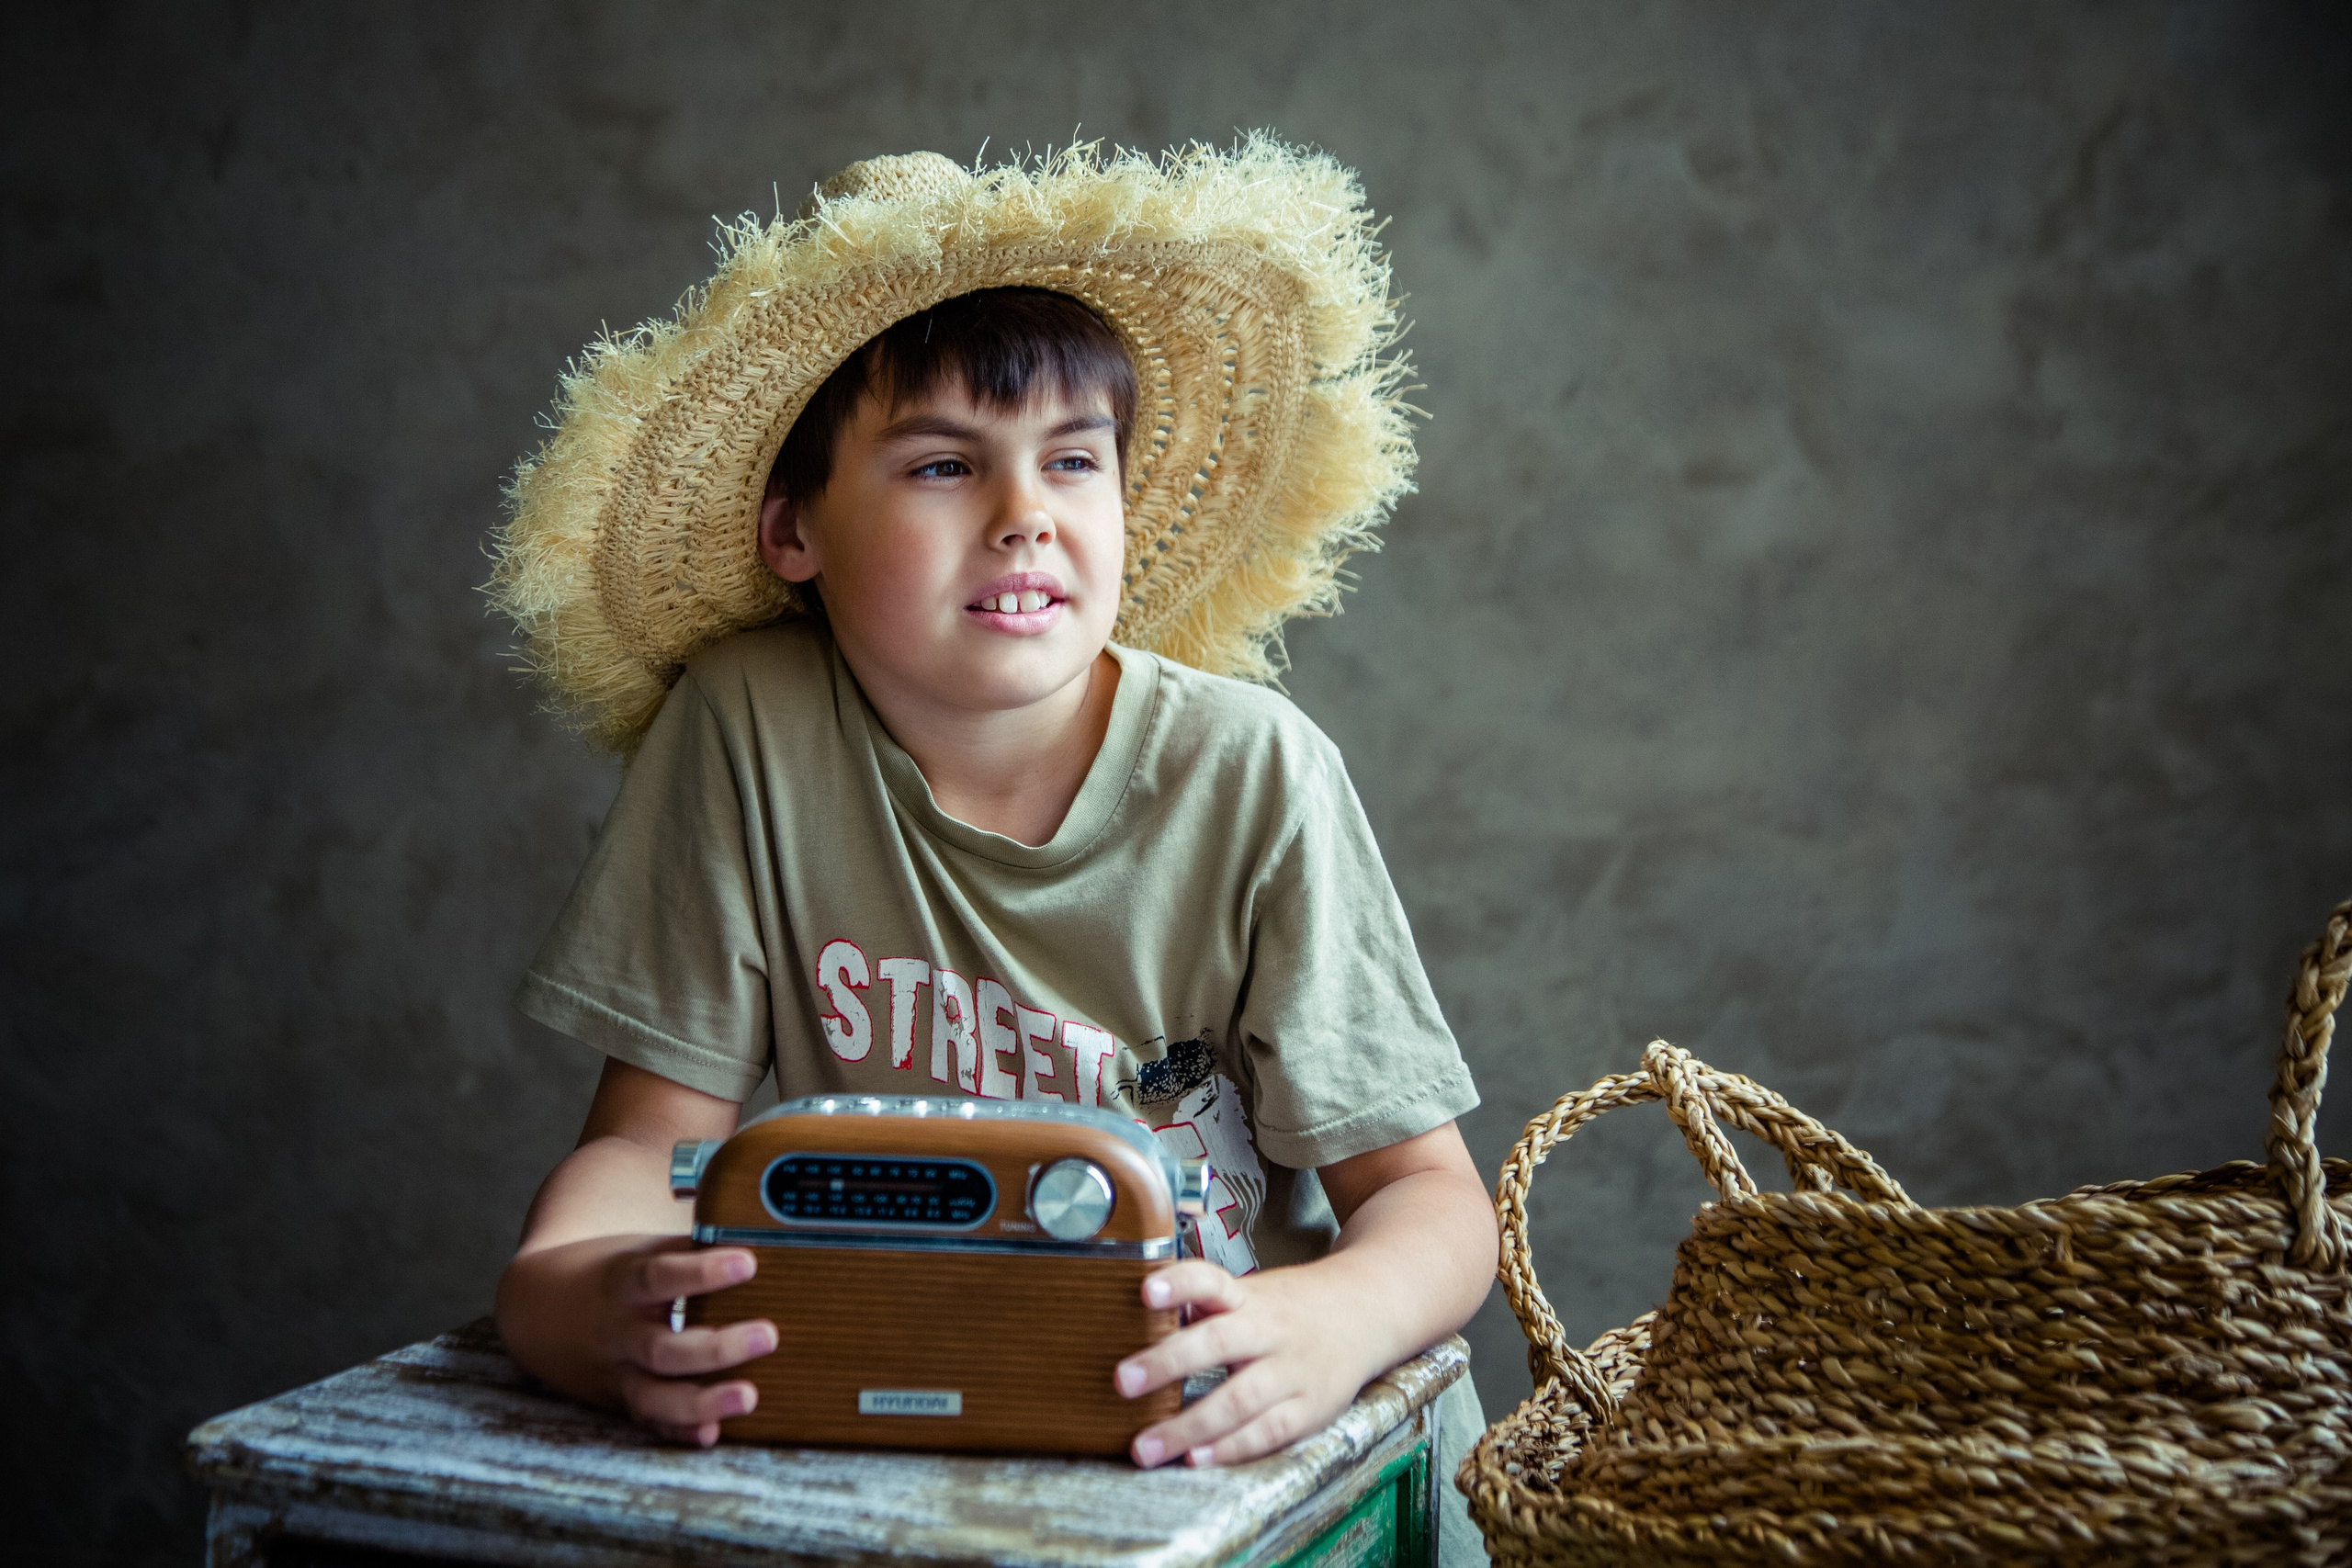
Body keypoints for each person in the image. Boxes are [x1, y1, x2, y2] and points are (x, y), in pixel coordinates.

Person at [487, 141, 1496, 1556]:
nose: (1026, 513)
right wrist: (567, 1296)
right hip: (913, 1432)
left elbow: (1434, 1204)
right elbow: (647, 1147)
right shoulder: (750, 732)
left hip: (1236, 1450)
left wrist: (1327, 1325)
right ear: (794, 529)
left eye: (1073, 461)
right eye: (947, 464)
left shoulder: (1255, 772)